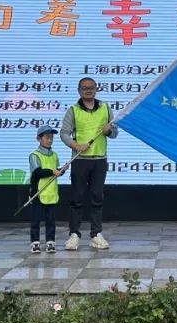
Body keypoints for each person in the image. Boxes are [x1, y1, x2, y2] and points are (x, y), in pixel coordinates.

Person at [59, 77, 118, 250]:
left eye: (91, 87)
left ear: (96, 89)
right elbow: (64, 133)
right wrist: (75, 145)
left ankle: (96, 234)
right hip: (80, 160)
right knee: (77, 198)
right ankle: (74, 234)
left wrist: (109, 131)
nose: (88, 90)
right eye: (84, 88)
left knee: (97, 198)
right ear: (79, 91)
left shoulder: (105, 108)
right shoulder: (73, 110)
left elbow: (115, 132)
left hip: (99, 160)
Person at [27, 126, 66, 254]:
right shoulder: (34, 155)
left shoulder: (54, 155)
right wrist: (52, 171)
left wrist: (62, 170)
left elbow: (55, 172)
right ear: (39, 139)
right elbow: (37, 172)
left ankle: (50, 242)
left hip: (51, 192)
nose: (50, 140)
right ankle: (35, 243)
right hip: (38, 193)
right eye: (47, 137)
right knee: (36, 220)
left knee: (51, 220)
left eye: (51, 137)